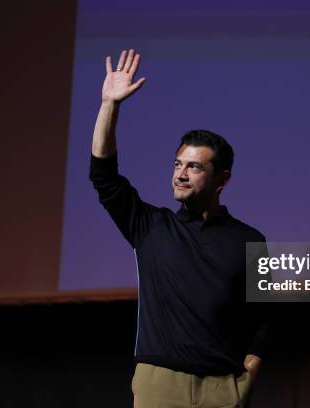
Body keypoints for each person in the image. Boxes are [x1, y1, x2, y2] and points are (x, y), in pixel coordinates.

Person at [90, 49, 267, 408]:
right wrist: (110, 105)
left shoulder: (248, 240)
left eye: (194, 167)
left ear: (222, 179)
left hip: (223, 387)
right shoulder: (151, 226)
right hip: (159, 384)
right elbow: (104, 176)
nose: (180, 174)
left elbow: (262, 318)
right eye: (177, 163)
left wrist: (248, 375)